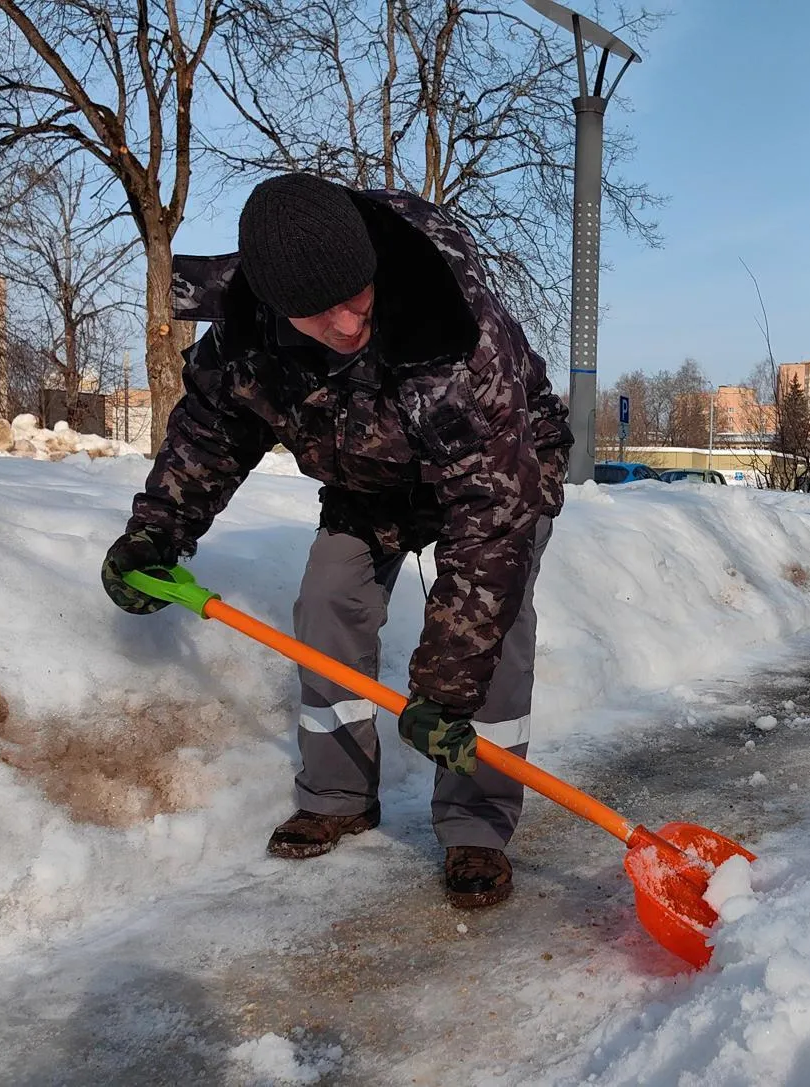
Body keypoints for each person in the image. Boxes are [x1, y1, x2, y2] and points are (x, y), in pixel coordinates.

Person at [100, 173, 571, 909]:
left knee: (495, 635)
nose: (350, 325)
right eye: (322, 314)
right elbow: (211, 433)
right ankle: (337, 793)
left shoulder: (447, 326)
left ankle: (477, 825)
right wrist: (157, 530)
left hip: (500, 470)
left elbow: (488, 518)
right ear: (279, 304)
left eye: (358, 298)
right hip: (371, 481)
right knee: (327, 600)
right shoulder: (247, 336)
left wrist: (445, 689)